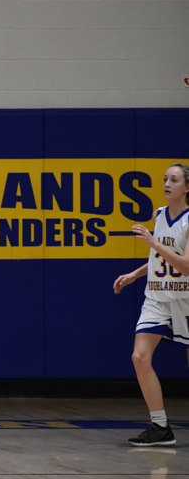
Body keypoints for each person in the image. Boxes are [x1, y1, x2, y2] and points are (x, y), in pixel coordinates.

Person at [113, 162, 189, 447]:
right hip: (157, 296)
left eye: (174, 180)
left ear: (187, 187)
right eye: (165, 179)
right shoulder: (159, 214)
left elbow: (185, 266)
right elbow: (159, 259)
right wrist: (135, 274)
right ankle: (160, 427)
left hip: (185, 298)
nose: (167, 184)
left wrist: (153, 242)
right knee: (139, 357)